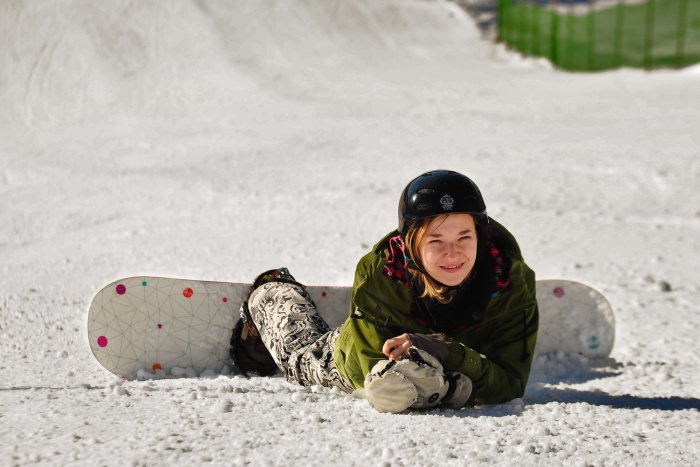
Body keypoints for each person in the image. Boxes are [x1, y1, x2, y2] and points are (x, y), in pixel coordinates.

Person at [230, 170, 539, 413]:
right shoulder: (383, 272)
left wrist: (447, 353)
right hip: (364, 355)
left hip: (445, 357)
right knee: (301, 358)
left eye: (464, 237)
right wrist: (444, 383)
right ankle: (274, 292)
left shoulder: (509, 282)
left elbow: (510, 382)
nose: (453, 253)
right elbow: (376, 379)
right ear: (412, 243)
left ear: (480, 236)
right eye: (436, 241)